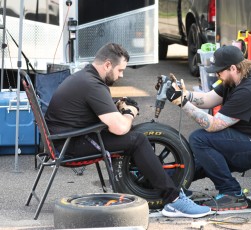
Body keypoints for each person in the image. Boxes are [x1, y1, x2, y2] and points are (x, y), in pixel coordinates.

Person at [45, 43, 211, 218]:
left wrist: (117, 106)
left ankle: (157, 186)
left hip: (65, 139)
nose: (121, 75)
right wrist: (130, 113)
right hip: (69, 146)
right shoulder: (93, 85)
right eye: (120, 70)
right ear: (108, 64)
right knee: (137, 140)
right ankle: (174, 200)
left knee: (132, 137)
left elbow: (92, 111)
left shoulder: (85, 77)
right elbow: (120, 127)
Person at [165, 45, 251, 211]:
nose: (217, 75)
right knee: (205, 157)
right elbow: (209, 99)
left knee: (200, 139)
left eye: (219, 72)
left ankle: (232, 193)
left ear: (233, 67)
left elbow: (213, 125)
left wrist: (183, 104)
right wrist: (183, 94)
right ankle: (161, 180)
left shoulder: (249, 89)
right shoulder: (236, 78)